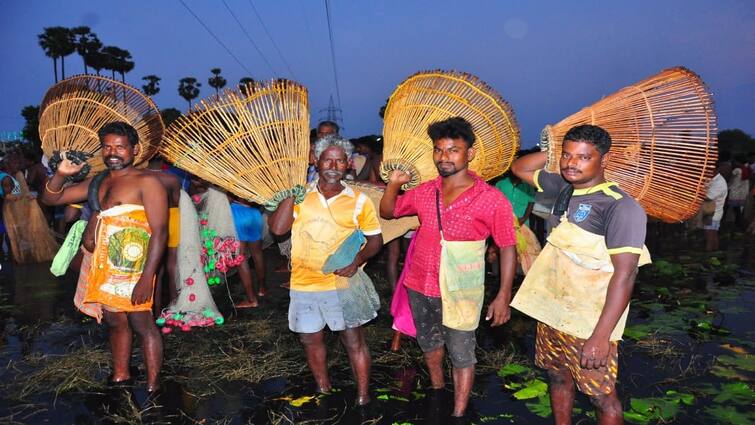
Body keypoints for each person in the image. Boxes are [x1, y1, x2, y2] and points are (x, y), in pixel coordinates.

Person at [510, 124, 651, 425]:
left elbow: (625, 276)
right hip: (554, 312)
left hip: (590, 322)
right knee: (557, 376)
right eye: (566, 155)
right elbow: (519, 167)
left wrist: (600, 336)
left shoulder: (620, 207)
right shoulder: (563, 189)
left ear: (604, 161)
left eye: (583, 157)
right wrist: (553, 144)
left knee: (602, 397)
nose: (571, 163)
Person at [380, 116, 517, 418]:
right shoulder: (425, 192)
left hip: (461, 289)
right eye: (439, 150)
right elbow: (389, 211)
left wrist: (503, 294)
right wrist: (393, 184)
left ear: (469, 154)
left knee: (461, 352)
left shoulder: (492, 199)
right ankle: (438, 389)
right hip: (419, 283)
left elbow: (507, 246)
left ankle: (458, 412)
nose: (444, 157)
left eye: (453, 150)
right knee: (429, 342)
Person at [41, 121, 167, 392]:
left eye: (120, 147)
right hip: (103, 267)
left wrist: (147, 278)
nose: (113, 152)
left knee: (142, 323)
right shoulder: (97, 182)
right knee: (114, 320)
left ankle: (154, 388)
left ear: (134, 150)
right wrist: (61, 174)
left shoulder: (147, 182)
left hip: (135, 269)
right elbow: (51, 199)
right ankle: (121, 374)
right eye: (107, 146)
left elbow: (160, 233)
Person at [269, 134, 383, 406]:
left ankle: (363, 396)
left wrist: (356, 261)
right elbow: (277, 229)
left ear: (348, 165)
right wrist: (289, 194)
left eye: (340, 160)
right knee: (310, 339)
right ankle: (323, 388)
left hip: (341, 283)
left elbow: (375, 240)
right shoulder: (301, 194)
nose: (333, 165)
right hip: (304, 283)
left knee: (353, 340)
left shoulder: (358, 200)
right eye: (327, 159)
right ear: (316, 162)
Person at [147, 156, 183, 315]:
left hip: (150, 218)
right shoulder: (171, 178)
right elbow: (177, 201)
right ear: (164, 161)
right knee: (172, 262)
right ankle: (175, 302)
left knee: (154, 266)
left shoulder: (141, 176)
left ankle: (153, 308)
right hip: (172, 217)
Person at [229, 197, 266, 306]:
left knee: (240, 257)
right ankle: (262, 288)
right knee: (258, 254)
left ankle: (251, 299)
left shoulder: (232, 180)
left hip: (238, 215)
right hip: (255, 214)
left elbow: (227, 200)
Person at [703, 161, 730, 251]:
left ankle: (709, 255)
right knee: (713, 234)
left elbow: (708, 197)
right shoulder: (712, 178)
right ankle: (714, 254)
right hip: (710, 211)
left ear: (715, 169)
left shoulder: (720, 183)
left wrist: (695, 193)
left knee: (709, 235)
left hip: (712, 213)